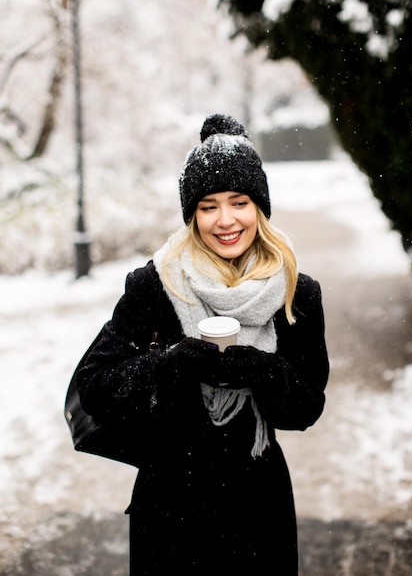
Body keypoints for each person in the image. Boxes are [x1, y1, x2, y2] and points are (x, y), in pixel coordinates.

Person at [75, 113, 329, 575]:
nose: (225, 220)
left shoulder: (296, 292)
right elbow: (94, 387)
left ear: (260, 208)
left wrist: (259, 368)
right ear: (192, 215)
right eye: (208, 206)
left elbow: (306, 407)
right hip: (171, 509)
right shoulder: (155, 284)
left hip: (259, 508)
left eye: (239, 202)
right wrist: (171, 363)